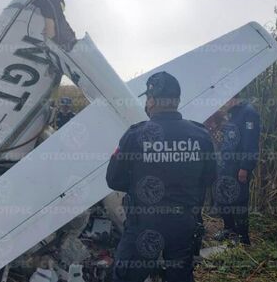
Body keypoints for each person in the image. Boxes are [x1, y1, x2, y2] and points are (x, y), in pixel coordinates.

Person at [106, 71, 216, 282]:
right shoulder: (201, 135)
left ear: (153, 100)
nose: (147, 104)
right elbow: (209, 178)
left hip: (144, 225)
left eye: (148, 99)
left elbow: (114, 180)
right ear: (177, 100)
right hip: (184, 224)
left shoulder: (135, 135)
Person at [213, 96, 260, 245]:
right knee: (223, 197)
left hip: (238, 166)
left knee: (239, 201)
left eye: (224, 100)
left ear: (233, 97)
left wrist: (245, 167)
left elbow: (250, 143)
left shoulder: (249, 113)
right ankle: (229, 228)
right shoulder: (232, 113)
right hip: (226, 163)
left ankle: (242, 237)